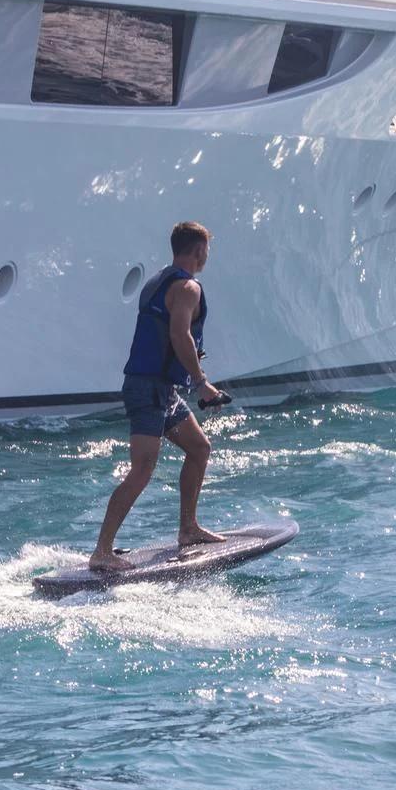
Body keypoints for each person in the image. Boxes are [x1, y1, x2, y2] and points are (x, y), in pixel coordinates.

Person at [90, 221, 227, 572]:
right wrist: (201, 383)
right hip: (148, 388)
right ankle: (102, 551)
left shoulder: (159, 280)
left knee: (199, 448)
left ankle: (188, 528)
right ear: (199, 251)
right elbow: (180, 335)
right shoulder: (187, 288)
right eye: (206, 250)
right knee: (142, 469)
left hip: (160, 390)